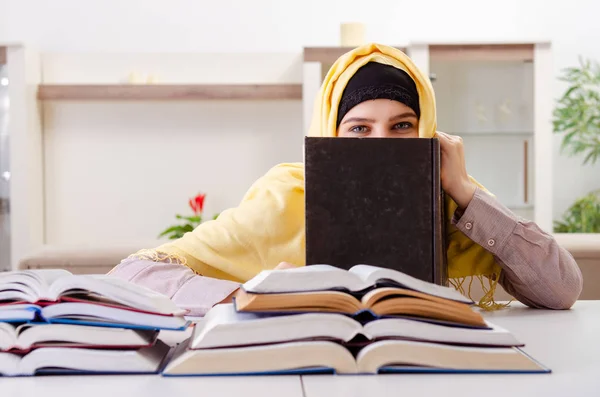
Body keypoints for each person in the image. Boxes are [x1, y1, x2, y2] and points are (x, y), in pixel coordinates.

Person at [108, 43, 582, 315]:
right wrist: (249, 295)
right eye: (359, 129)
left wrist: (463, 190)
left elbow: (562, 290)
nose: (380, 144)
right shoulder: (287, 194)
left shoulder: (456, 201)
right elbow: (132, 276)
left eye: (402, 126)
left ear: (429, 131)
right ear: (330, 132)